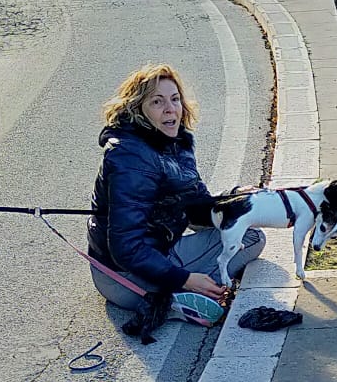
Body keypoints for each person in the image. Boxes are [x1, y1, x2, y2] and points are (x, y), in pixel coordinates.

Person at [87, 64, 262, 325]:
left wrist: (239, 202)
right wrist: (185, 278)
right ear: (138, 110)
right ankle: (176, 296)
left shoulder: (174, 143)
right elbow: (126, 247)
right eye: (158, 102)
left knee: (245, 227)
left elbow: (197, 210)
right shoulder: (130, 157)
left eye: (175, 99)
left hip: (145, 261)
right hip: (123, 277)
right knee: (252, 237)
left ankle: (180, 292)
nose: (171, 109)